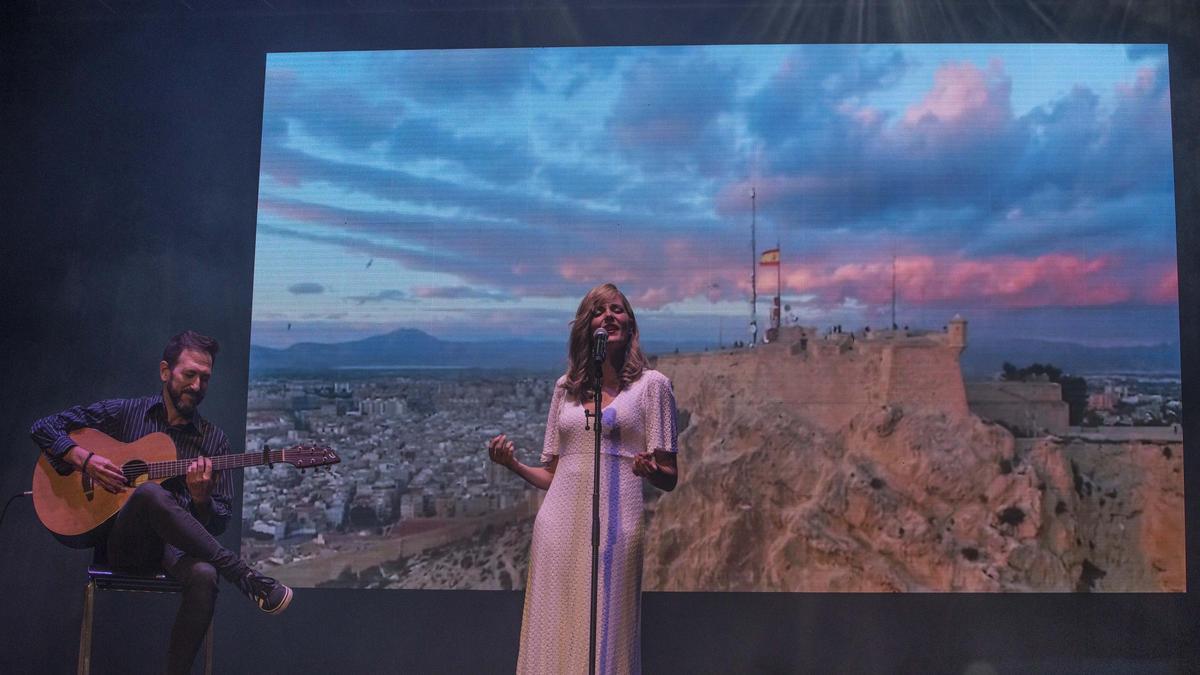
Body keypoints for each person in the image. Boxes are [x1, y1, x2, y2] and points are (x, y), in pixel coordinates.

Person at [30, 330, 292, 675]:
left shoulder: (213, 440)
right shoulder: (125, 413)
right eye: (189, 374)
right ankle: (244, 576)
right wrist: (84, 459)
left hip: (176, 554)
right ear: (165, 371)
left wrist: (201, 500)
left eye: (205, 378)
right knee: (151, 493)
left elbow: (219, 522)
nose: (197, 386)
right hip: (125, 547)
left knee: (205, 574)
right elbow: (44, 426)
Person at [488, 283, 679, 674]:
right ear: (585, 327)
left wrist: (650, 468)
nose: (609, 315)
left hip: (617, 523)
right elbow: (554, 474)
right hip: (557, 525)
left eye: (617, 309)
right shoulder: (566, 389)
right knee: (554, 625)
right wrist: (515, 465)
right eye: (598, 311)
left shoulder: (652, 386)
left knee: (611, 627)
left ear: (630, 324)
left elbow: (670, 476)